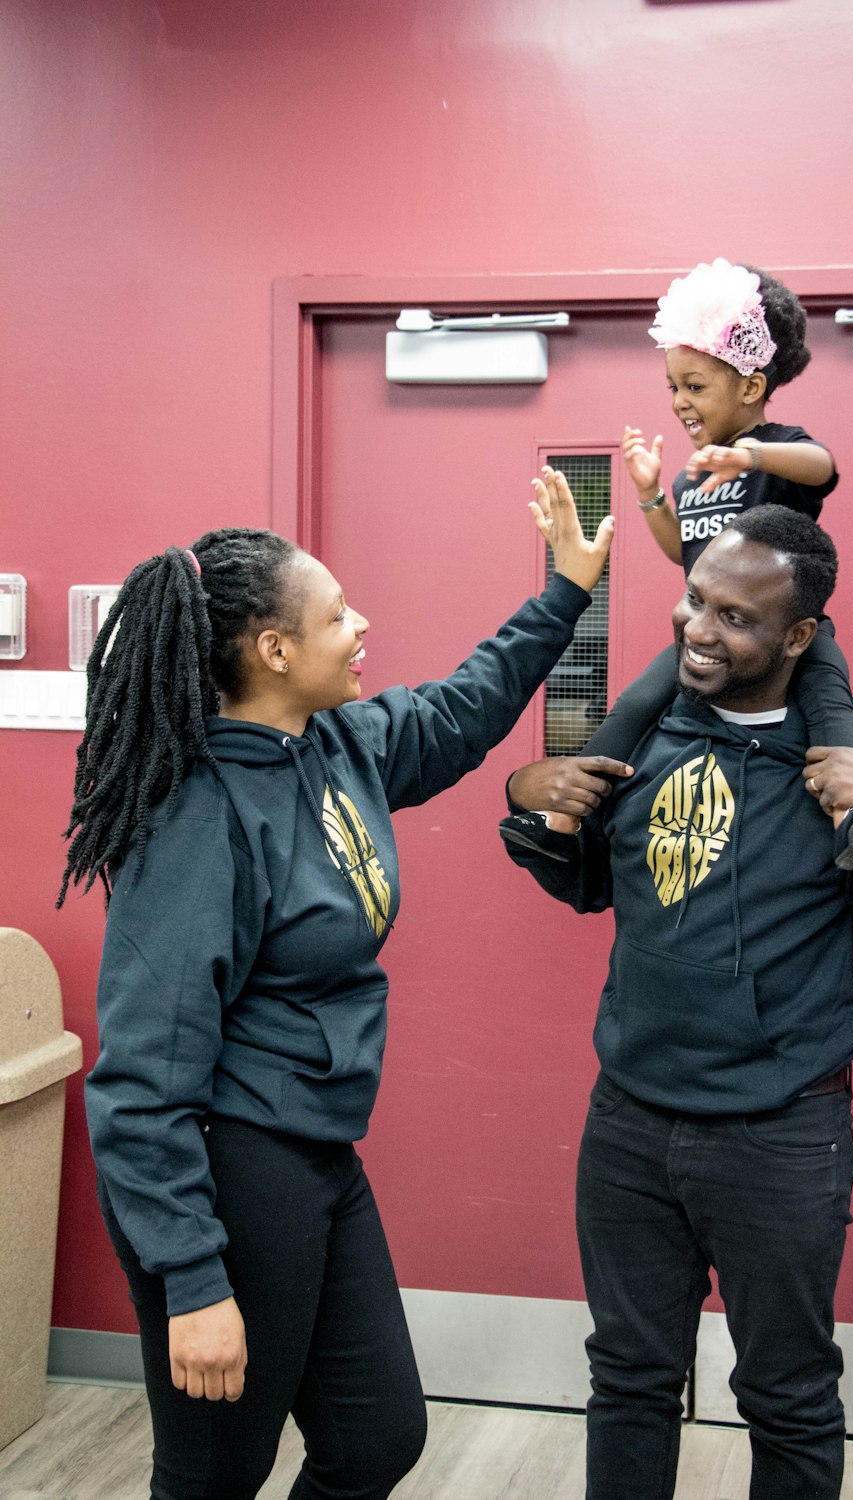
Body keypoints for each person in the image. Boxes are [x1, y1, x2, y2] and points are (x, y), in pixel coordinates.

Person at [57, 470, 613, 1500]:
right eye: (334, 615)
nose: (361, 625)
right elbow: (140, 1079)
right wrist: (191, 1279)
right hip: (224, 1169)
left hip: (311, 1150)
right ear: (274, 651)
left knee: (374, 1438)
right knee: (215, 1474)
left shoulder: (331, 746)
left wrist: (567, 591)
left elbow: (460, 710)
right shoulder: (197, 821)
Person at [499, 503, 853, 1500]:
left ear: (799, 637)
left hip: (779, 1134)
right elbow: (592, 884)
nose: (697, 631)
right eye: (693, 601)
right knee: (627, 1380)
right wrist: (537, 802)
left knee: (787, 1397)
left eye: (735, 618)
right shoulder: (649, 733)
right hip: (626, 1121)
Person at [552, 259, 853, 869]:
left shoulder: (777, 450)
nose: (681, 402)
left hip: (786, 638)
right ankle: (560, 822)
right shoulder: (698, 473)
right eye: (674, 388)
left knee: (831, 711)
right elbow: (681, 551)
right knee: (632, 707)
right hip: (708, 634)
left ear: (750, 387)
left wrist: (753, 456)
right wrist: (652, 492)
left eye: (695, 386)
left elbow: (824, 466)